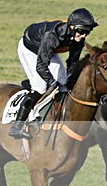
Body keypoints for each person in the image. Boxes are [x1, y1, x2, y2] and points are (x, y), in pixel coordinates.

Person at [9, 8, 98, 139]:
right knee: (41, 87)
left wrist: (69, 80)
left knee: (63, 83)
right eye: (81, 31)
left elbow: (72, 62)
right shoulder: (52, 36)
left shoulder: (78, 40)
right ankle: (17, 126)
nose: (84, 35)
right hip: (30, 49)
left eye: (87, 32)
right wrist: (51, 82)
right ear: (72, 26)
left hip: (48, 51)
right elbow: (41, 65)